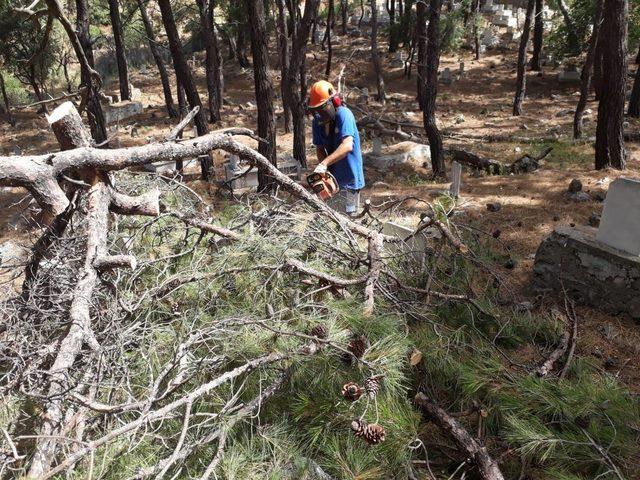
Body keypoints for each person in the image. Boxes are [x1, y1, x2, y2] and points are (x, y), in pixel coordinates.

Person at [308, 80, 364, 216]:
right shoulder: (317, 122)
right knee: (331, 220)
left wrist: (324, 163)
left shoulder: (344, 115)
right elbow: (320, 148)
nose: (318, 114)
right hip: (333, 180)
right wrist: (324, 172)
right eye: (315, 110)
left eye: (322, 108)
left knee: (350, 221)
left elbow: (347, 145)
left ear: (334, 102)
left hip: (350, 179)